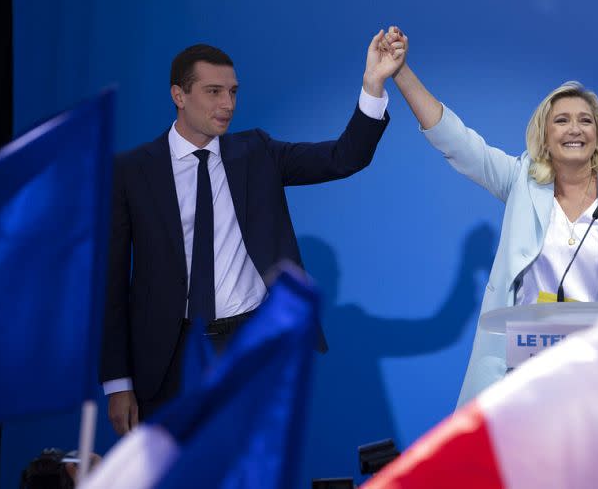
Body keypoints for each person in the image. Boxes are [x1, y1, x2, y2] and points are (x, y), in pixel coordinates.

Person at [101, 34, 405, 435]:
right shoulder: (130, 171)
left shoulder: (257, 152)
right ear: (179, 94)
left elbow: (344, 157)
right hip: (167, 358)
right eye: (213, 92)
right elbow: (111, 283)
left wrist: (373, 85)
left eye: (232, 92)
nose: (228, 104)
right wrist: (118, 382)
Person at [381, 27, 598, 406]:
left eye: (585, 120)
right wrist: (401, 73)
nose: (575, 129)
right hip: (525, 372)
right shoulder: (521, 180)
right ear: (545, 135)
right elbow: (459, 143)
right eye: (562, 120)